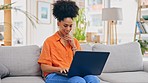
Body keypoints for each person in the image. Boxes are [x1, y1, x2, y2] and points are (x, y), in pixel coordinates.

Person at [38, 0, 100, 83]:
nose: (68, 29)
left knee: (93, 79)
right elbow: (44, 67)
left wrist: (74, 46)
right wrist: (60, 69)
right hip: (53, 74)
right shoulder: (49, 42)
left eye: (70, 26)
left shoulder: (74, 41)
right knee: (78, 81)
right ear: (58, 23)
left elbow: (81, 64)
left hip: (73, 74)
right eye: (65, 25)